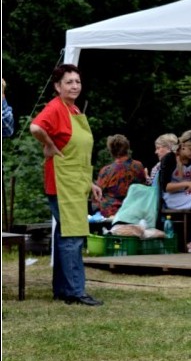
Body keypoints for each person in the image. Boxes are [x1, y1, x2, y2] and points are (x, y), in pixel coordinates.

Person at [29, 64, 103, 306]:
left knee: (65, 235)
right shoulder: (55, 108)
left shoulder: (74, 109)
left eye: (77, 82)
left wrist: (89, 183)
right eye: (69, 82)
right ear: (57, 86)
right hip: (61, 183)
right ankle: (75, 291)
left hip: (75, 182)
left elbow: (77, 155)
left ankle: (63, 289)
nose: (74, 86)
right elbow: (36, 127)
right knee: (72, 237)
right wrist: (48, 144)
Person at [93, 134, 146, 218]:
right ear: (127, 148)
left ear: (111, 150)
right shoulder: (138, 166)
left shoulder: (106, 171)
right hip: (133, 210)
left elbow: (97, 195)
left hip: (110, 212)